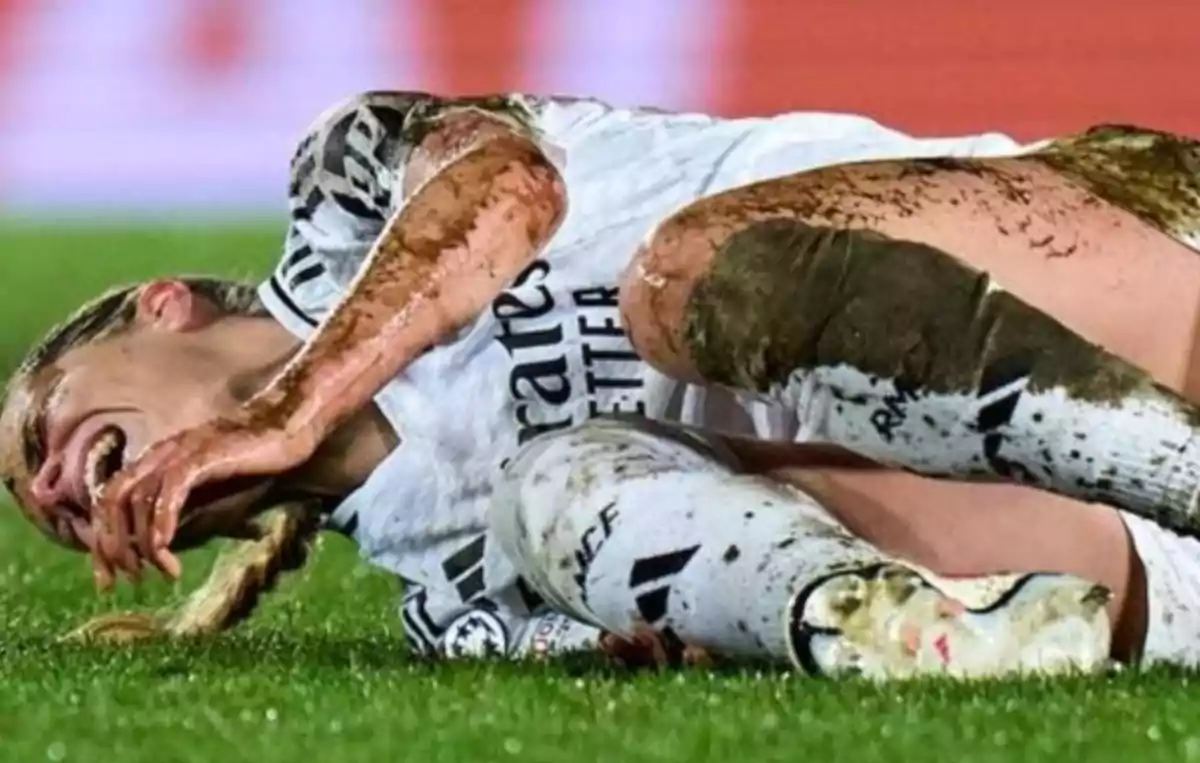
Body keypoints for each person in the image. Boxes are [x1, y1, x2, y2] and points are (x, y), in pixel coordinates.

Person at [4, 92, 1200, 677]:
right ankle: (932, 640)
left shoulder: (343, 188)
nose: (54, 484)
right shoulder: (451, 604)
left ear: (164, 305)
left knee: (686, 282)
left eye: (43, 424)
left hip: (1124, 290)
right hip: (1099, 560)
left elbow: (506, 190)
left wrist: (291, 406)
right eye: (42, 504)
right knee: (556, 486)